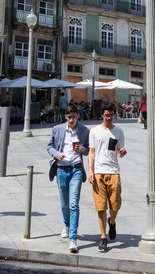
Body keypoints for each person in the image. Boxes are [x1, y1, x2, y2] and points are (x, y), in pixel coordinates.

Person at [47, 105, 90, 254]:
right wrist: (57, 154)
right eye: (69, 117)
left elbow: (88, 150)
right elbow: (49, 147)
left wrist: (81, 149)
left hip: (76, 169)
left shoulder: (84, 130)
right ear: (66, 117)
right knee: (64, 204)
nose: (71, 119)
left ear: (78, 116)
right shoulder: (57, 129)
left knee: (73, 204)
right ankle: (66, 225)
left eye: (74, 116)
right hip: (61, 169)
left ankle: (73, 238)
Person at [88, 102, 127, 253]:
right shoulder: (94, 131)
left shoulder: (119, 131)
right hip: (98, 171)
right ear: (102, 115)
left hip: (113, 171)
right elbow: (91, 152)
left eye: (111, 115)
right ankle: (103, 237)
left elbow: (120, 151)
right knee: (100, 205)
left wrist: (122, 153)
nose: (108, 117)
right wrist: (90, 170)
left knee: (115, 204)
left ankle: (112, 221)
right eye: (106, 115)